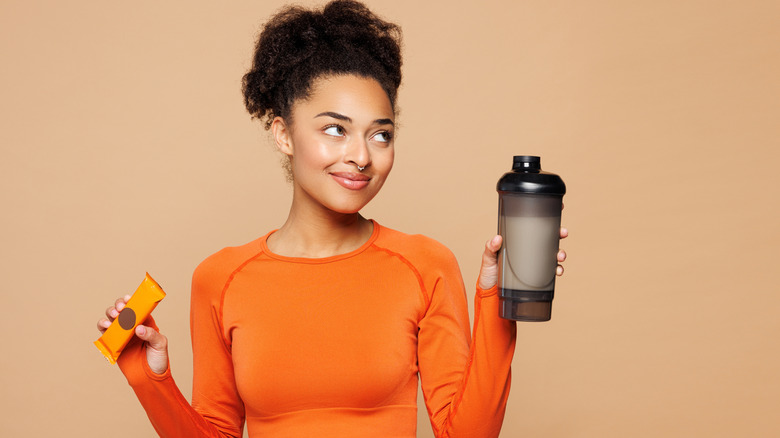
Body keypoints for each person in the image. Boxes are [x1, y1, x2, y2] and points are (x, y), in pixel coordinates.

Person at [97, 1, 568, 437]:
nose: (361, 156)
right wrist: (150, 378)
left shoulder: (425, 265)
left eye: (380, 135)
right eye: (335, 129)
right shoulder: (220, 279)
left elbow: (467, 434)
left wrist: (499, 300)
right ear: (283, 133)